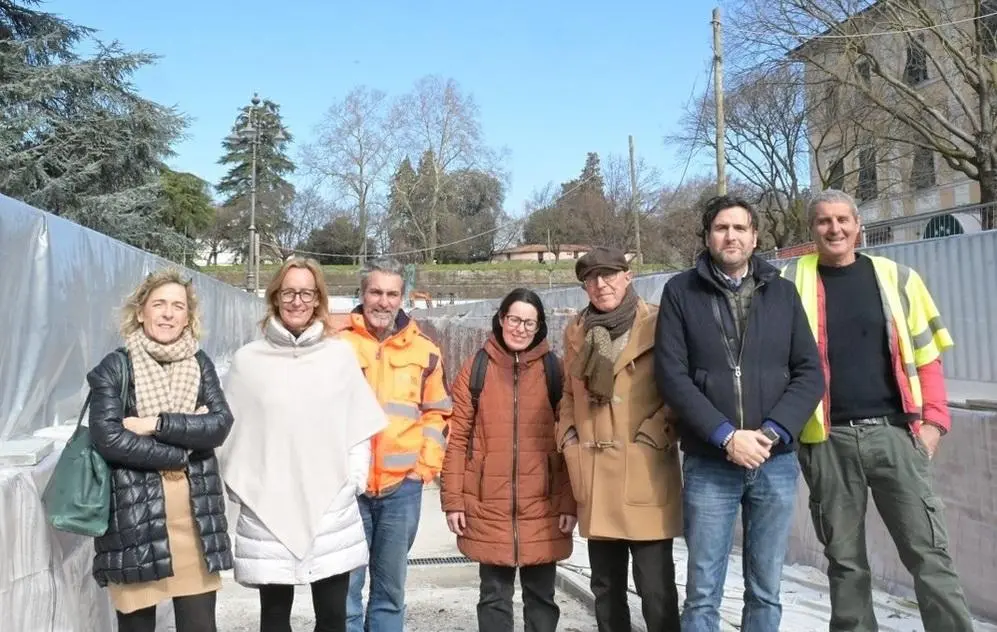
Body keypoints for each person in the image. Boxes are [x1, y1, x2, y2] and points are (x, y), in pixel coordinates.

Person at [781, 189, 974, 632]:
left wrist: (934, 424)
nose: (835, 229)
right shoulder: (789, 284)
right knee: (845, 563)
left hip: (895, 434)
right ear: (812, 230)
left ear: (858, 227)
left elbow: (927, 357)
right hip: (827, 440)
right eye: (824, 221)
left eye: (843, 220)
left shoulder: (898, 278)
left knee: (929, 554)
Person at [654, 195, 824, 632]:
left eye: (740, 228)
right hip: (711, 463)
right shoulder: (680, 292)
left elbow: (809, 372)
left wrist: (769, 434)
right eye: (721, 228)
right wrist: (727, 436)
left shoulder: (782, 293)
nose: (730, 236)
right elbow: (672, 376)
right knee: (703, 591)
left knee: (766, 587)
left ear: (754, 237)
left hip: (774, 461)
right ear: (707, 236)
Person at [221, 257, 387, 632]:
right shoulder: (248, 361)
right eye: (289, 292)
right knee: (274, 617)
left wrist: (353, 481)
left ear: (318, 300)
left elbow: (358, 426)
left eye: (306, 293)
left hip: (331, 507)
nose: (297, 301)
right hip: (268, 510)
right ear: (275, 297)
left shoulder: (338, 356)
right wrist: (244, 489)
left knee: (332, 617)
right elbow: (229, 431)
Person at [87, 269, 234, 632]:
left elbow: (218, 424)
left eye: (178, 306)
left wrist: (154, 424)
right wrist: (180, 452)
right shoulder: (115, 367)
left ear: (188, 316)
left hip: (196, 521)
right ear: (140, 312)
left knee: (200, 626)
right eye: (159, 304)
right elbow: (109, 438)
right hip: (135, 522)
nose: (168, 313)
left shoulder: (200, 364)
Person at [556, 246, 682, 632]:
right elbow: (566, 394)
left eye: (610, 274)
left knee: (655, 587)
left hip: (644, 470)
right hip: (594, 472)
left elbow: (681, 389)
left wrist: (654, 433)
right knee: (606, 588)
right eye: (591, 278)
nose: (600, 283)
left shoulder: (660, 324)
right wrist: (568, 435)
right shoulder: (577, 330)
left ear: (628, 276)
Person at [441, 288, 576, 632]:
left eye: (530, 323)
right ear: (501, 319)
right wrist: (453, 500)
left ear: (540, 327)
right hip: (489, 505)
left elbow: (568, 445)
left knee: (542, 598)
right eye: (514, 319)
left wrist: (568, 503)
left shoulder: (553, 370)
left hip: (542, 507)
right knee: (493, 597)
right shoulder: (478, 367)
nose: (520, 328)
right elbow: (457, 440)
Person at [341, 257, 453, 632]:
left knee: (390, 593)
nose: (383, 302)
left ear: (403, 298)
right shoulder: (336, 346)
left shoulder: (425, 351)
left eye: (392, 294)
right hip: (346, 488)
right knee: (344, 593)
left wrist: (424, 469)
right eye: (376, 292)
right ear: (362, 294)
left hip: (401, 489)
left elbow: (438, 413)